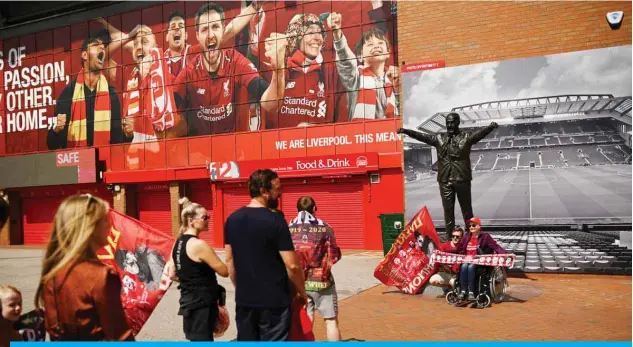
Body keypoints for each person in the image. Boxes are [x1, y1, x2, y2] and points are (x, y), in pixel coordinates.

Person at [173, 2, 287, 135]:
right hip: (199, 150)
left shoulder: (235, 61)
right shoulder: (190, 68)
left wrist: (278, 71)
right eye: (204, 29)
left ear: (223, 30)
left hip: (232, 147)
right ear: (197, 36)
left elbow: (271, 105)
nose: (210, 35)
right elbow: (168, 109)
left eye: (216, 27)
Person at [34, 194, 134, 341]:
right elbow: (120, 337)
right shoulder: (102, 276)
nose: (109, 225)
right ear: (90, 227)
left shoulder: (52, 274)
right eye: (104, 220)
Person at [224, 169, 307, 341]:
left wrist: (241, 289)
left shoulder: (232, 219)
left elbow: (229, 261)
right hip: (274, 302)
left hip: (245, 301)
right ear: (264, 191)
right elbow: (292, 265)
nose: (280, 193)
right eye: (277, 189)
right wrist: (302, 292)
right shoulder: (275, 220)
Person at [397, 113, 498, 240]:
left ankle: (471, 237)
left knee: (467, 210)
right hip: (444, 180)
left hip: (462, 178)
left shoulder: (466, 136)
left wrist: (490, 127)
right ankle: (450, 238)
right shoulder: (439, 138)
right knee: (448, 211)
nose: (449, 125)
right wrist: (406, 131)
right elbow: (422, 136)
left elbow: (478, 135)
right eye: (448, 123)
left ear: (458, 123)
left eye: (452, 122)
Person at [47, 30, 130, 149]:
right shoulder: (68, 94)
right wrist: (56, 130)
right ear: (84, 55)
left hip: (103, 164)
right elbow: (51, 144)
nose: (102, 48)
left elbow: (117, 144)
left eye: (103, 47)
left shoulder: (111, 94)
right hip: (75, 164)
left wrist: (128, 135)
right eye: (96, 45)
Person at [163, 197, 229, 341]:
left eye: (208, 216)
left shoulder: (178, 243)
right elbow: (224, 271)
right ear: (191, 220)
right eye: (204, 217)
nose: (208, 220)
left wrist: (189, 278)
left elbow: (172, 273)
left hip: (187, 301)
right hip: (203, 303)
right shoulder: (199, 245)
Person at [266, 13, 347, 129]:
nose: (317, 38)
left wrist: (337, 34)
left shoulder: (332, 72)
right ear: (296, 38)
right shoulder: (278, 70)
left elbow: (349, 68)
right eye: (310, 32)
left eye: (319, 32)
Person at [329, 12, 401, 121]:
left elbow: (404, 110)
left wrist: (398, 88)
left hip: (391, 135)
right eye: (370, 44)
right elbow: (346, 62)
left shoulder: (396, 78)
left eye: (380, 43)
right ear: (360, 56)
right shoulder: (355, 78)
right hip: (362, 136)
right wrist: (337, 34)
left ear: (388, 53)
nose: (376, 46)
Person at [289, 196, 342, 341]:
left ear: (297, 209)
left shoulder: (289, 228)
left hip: (299, 282)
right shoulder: (325, 227)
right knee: (330, 320)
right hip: (322, 281)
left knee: (306, 319)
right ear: (314, 209)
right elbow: (335, 256)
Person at [453, 217, 505, 301]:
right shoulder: (467, 236)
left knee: (470, 267)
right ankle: (463, 291)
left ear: (479, 226)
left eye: (473, 225)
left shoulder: (485, 236)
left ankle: (471, 292)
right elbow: (459, 248)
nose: (471, 227)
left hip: (479, 262)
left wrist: (504, 254)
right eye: (469, 226)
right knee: (464, 266)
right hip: (467, 260)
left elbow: (495, 246)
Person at [429, 227, 464, 294]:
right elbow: (437, 258)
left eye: (457, 236)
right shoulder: (444, 246)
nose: (455, 238)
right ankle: (447, 287)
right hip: (444, 272)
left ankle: (454, 289)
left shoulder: (462, 247)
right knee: (432, 280)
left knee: (453, 283)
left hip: (455, 274)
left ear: (461, 237)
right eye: (453, 236)